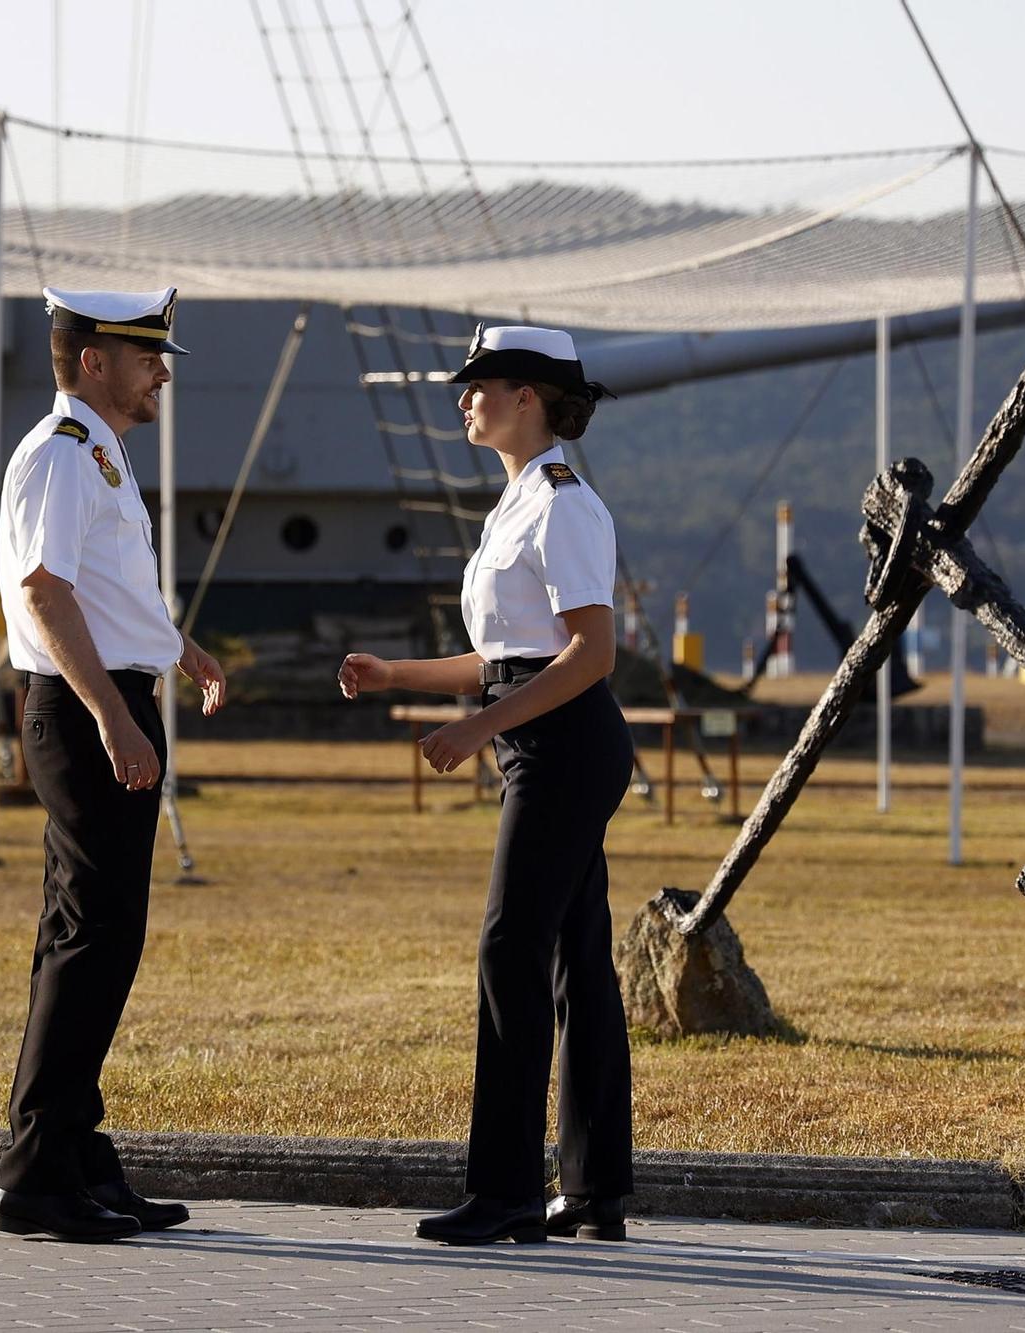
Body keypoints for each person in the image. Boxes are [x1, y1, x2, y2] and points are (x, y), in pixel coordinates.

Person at [338, 325, 634, 1246]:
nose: (465, 399)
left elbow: (591, 652)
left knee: (512, 949)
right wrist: (398, 674)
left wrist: (480, 728)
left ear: (532, 398)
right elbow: (502, 656)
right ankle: (591, 1191)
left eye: (483, 385)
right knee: (573, 959)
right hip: (539, 736)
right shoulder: (514, 504)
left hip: (564, 747)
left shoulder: (564, 505)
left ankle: (505, 1189)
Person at [0, 286, 227, 1242]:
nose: (161, 371)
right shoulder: (60, 454)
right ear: (94, 360)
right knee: (95, 941)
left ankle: (75, 1157)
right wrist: (112, 720)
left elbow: (108, 587)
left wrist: (179, 648)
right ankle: (38, 1174)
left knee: (83, 939)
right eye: (145, 356)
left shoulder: (97, 450)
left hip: (115, 699)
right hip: (90, 714)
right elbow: (44, 594)